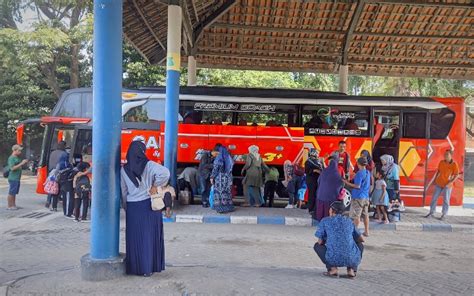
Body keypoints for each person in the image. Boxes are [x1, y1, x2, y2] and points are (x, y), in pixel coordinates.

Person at [120, 140, 171, 276]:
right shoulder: (149, 165)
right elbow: (166, 173)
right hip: (149, 206)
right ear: (143, 152)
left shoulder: (124, 169)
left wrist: (126, 207)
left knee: (135, 239)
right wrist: (155, 185)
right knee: (149, 238)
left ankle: (136, 269)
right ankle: (149, 268)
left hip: (133, 208)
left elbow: (124, 192)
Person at [314, 201, 365, 278]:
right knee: (360, 245)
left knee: (317, 246)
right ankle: (351, 270)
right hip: (351, 258)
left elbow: (320, 242)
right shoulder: (349, 221)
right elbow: (361, 239)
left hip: (332, 258)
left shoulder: (325, 221)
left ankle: (333, 269)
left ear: (331, 210)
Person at [425, 150, 459, 220]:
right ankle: (432, 212)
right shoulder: (441, 162)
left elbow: (456, 175)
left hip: (448, 184)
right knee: (434, 198)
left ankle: (444, 214)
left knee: (446, 199)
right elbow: (438, 172)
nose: (445, 156)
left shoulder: (454, 164)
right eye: (445, 154)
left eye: (447, 155)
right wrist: (435, 180)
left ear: (451, 155)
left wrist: (451, 182)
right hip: (439, 183)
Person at [344, 157, 371, 237]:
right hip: (366, 197)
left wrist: (346, 182)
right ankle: (366, 231)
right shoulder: (367, 172)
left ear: (358, 164)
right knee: (365, 214)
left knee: (356, 216)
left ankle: (355, 233)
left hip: (358, 197)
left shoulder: (359, 173)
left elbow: (357, 186)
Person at [315, 154, 343, 221]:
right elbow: (340, 184)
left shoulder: (324, 171)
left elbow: (318, 181)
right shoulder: (337, 173)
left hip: (321, 195)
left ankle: (321, 222)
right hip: (331, 197)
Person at [210, 146, 235, 213]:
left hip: (220, 179)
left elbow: (215, 169)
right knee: (227, 192)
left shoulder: (219, 158)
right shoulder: (229, 158)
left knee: (220, 193)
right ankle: (228, 207)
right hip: (228, 178)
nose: (213, 153)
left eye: (214, 152)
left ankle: (220, 208)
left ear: (217, 151)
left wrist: (212, 177)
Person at [45, 141, 68, 209]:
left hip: (51, 171)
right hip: (58, 172)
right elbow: (64, 164)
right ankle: (56, 200)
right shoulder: (64, 153)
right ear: (64, 146)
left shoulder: (53, 152)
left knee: (51, 186)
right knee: (57, 187)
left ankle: (48, 201)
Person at [6, 145, 28, 210]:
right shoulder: (11, 158)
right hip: (13, 178)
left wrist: (23, 163)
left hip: (17, 178)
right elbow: (12, 168)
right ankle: (10, 206)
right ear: (14, 150)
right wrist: (21, 163)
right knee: (11, 192)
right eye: (19, 150)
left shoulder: (17, 157)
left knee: (14, 192)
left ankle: (14, 205)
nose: (20, 152)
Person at [305, 148, 323, 214]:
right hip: (311, 180)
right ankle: (311, 209)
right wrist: (315, 170)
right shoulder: (308, 161)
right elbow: (306, 171)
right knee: (312, 194)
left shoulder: (318, 161)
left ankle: (315, 208)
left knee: (316, 194)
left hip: (317, 180)